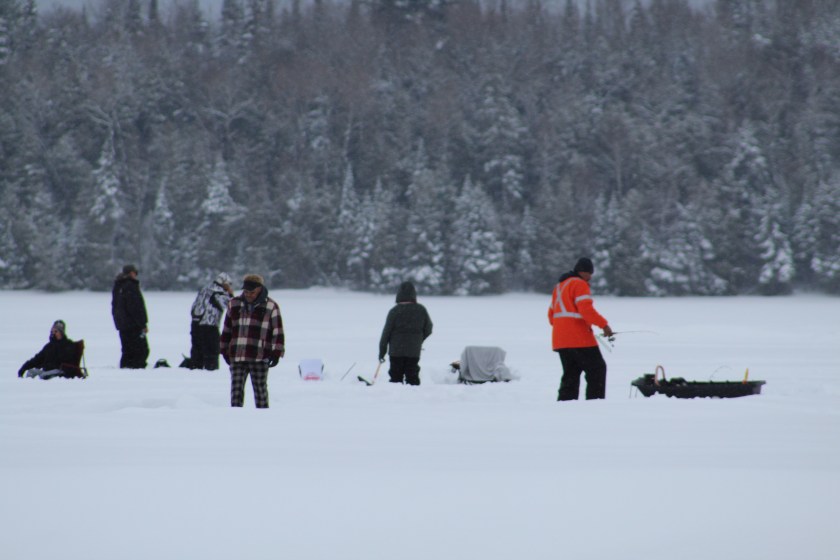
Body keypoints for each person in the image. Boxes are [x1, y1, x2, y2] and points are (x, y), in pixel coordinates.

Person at [548, 257, 614, 400]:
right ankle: (595, 403)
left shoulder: (559, 287)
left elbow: (551, 316)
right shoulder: (580, 284)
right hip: (579, 340)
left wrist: (565, 329)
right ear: (584, 272)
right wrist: (604, 325)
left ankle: (565, 406)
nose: (590, 278)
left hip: (560, 340)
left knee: (570, 374)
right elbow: (586, 310)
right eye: (590, 274)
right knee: (597, 370)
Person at [220, 274, 285, 408]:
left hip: (260, 356)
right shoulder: (234, 303)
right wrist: (224, 350)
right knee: (236, 392)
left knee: (260, 391)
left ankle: (263, 419)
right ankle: (236, 418)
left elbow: (277, 332)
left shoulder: (271, 306)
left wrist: (276, 353)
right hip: (237, 355)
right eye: (246, 291)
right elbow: (227, 329)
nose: (248, 295)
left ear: (260, 289)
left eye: (252, 292)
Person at [378, 281, 433, 386]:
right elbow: (429, 328)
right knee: (412, 376)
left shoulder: (394, 311)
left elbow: (386, 333)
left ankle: (395, 398)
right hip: (413, 350)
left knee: (395, 376)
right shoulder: (421, 310)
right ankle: (413, 397)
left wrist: (382, 352)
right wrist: (418, 339)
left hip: (396, 351)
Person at [189, 272, 234, 370]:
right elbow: (231, 305)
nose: (230, 286)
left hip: (195, 323)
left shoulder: (205, 289)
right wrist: (230, 294)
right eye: (229, 284)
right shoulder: (219, 292)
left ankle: (195, 368)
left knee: (197, 349)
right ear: (224, 283)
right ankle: (211, 370)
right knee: (212, 350)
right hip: (210, 325)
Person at [111, 264, 150, 369]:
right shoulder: (130, 286)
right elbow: (136, 308)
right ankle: (136, 368)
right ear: (131, 273)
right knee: (142, 350)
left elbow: (115, 306)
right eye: (135, 272)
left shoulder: (118, 286)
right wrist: (143, 324)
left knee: (127, 350)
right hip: (133, 325)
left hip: (122, 325)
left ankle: (126, 368)